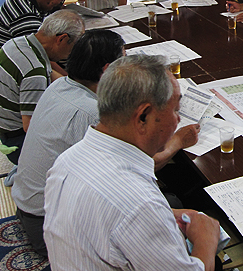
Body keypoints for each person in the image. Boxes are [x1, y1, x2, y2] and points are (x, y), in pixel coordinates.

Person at [11, 30, 202, 257]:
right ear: (109, 71)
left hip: (29, 204)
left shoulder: (60, 85)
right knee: (176, 198)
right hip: (44, 222)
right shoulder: (95, 114)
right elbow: (141, 164)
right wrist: (177, 141)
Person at [44, 55, 220, 271]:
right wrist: (206, 240)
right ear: (143, 116)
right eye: (175, 110)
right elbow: (133, 209)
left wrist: (164, 214)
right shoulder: (140, 204)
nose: (179, 120)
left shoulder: (67, 160)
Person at [0, 10, 84, 164]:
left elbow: (51, 73)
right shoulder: (34, 72)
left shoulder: (19, 43)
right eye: (72, 48)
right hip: (18, 142)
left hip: (4, 128)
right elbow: (31, 127)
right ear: (62, 39)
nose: (70, 55)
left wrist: (78, 89)